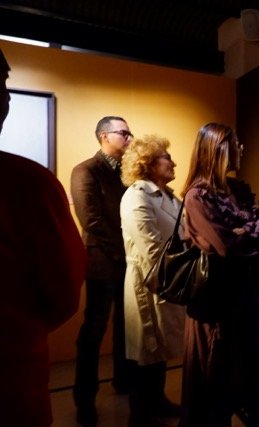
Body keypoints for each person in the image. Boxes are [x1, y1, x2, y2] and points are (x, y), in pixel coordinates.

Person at [0, 47, 86, 426]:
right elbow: (63, 293)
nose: (7, 98)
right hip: (12, 383)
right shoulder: (29, 184)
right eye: (1, 84)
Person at [179, 122, 259, 426]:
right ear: (220, 149)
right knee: (215, 382)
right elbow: (225, 246)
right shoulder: (197, 197)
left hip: (248, 295)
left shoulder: (239, 189)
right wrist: (249, 231)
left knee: (256, 373)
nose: (242, 149)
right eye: (236, 144)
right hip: (216, 305)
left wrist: (244, 231)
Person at [70, 115, 136, 426]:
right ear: (104, 136)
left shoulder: (126, 171)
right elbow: (91, 220)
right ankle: (85, 399)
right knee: (93, 331)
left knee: (126, 327)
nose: (130, 138)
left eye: (130, 133)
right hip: (103, 262)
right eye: (124, 133)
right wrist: (123, 251)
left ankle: (123, 381)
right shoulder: (86, 170)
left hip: (126, 260)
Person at [119, 135, 185, 423]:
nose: (173, 163)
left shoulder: (167, 195)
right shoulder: (137, 196)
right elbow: (151, 249)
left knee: (159, 352)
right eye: (166, 157)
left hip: (168, 279)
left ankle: (157, 402)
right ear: (147, 162)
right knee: (148, 350)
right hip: (149, 283)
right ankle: (142, 414)